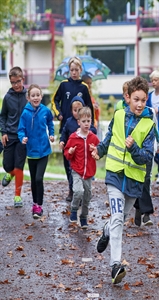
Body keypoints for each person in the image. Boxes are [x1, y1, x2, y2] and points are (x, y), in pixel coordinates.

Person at [93, 76, 155, 285]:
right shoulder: (118, 115)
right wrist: (99, 151)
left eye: (143, 100)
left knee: (119, 220)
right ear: (128, 98)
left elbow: (147, 156)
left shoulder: (149, 125)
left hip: (134, 181)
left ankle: (106, 230)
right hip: (114, 175)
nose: (139, 104)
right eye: (136, 99)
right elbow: (110, 137)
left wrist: (134, 149)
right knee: (118, 218)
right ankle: (115, 265)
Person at [51, 56, 94, 201]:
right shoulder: (63, 85)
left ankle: (80, 188)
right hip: (66, 128)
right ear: (69, 70)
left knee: (80, 159)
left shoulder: (84, 87)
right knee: (67, 160)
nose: (74, 72)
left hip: (81, 129)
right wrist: (59, 114)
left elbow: (89, 108)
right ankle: (71, 189)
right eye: (72, 70)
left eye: (77, 70)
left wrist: (91, 126)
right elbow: (54, 101)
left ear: (81, 70)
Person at [18, 84, 54, 218]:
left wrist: (51, 133)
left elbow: (50, 122)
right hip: (31, 152)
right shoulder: (25, 113)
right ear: (28, 98)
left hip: (44, 151)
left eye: (38, 95)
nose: (35, 97)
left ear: (41, 96)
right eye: (33, 95)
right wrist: (22, 138)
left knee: (39, 178)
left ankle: (40, 205)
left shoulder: (45, 111)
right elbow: (20, 129)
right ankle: (35, 204)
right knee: (33, 180)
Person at [64, 107, 99, 228]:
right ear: (78, 122)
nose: (86, 124)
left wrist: (95, 152)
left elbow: (99, 152)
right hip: (76, 170)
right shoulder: (74, 137)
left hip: (89, 173)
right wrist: (71, 152)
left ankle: (84, 217)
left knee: (87, 196)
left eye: (88, 121)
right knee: (78, 191)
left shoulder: (93, 138)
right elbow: (66, 153)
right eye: (84, 121)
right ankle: (74, 210)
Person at [59, 96, 97, 199]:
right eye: (74, 110)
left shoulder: (85, 121)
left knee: (82, 173)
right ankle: (72, 191)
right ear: (71, 110)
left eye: (79, 110)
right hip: (72, 152)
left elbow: (93, 130)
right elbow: (64, 132)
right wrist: (62, 141)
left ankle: (83, 192)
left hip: (83, 152)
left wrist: (88, 132)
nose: (77, 112)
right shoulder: (69, 121)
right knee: (72, 171)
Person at [0, 67, 27, 207]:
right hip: (9, 135)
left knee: (19, 166)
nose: (16, 85)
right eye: (13, 82)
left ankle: (17, 196)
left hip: (23, 137)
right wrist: (3, 132)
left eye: (18, 81)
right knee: (8, 165)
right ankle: (9, 173)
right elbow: (3, 116)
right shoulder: (8, 97)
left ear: (23, 79)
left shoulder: (28, 96)